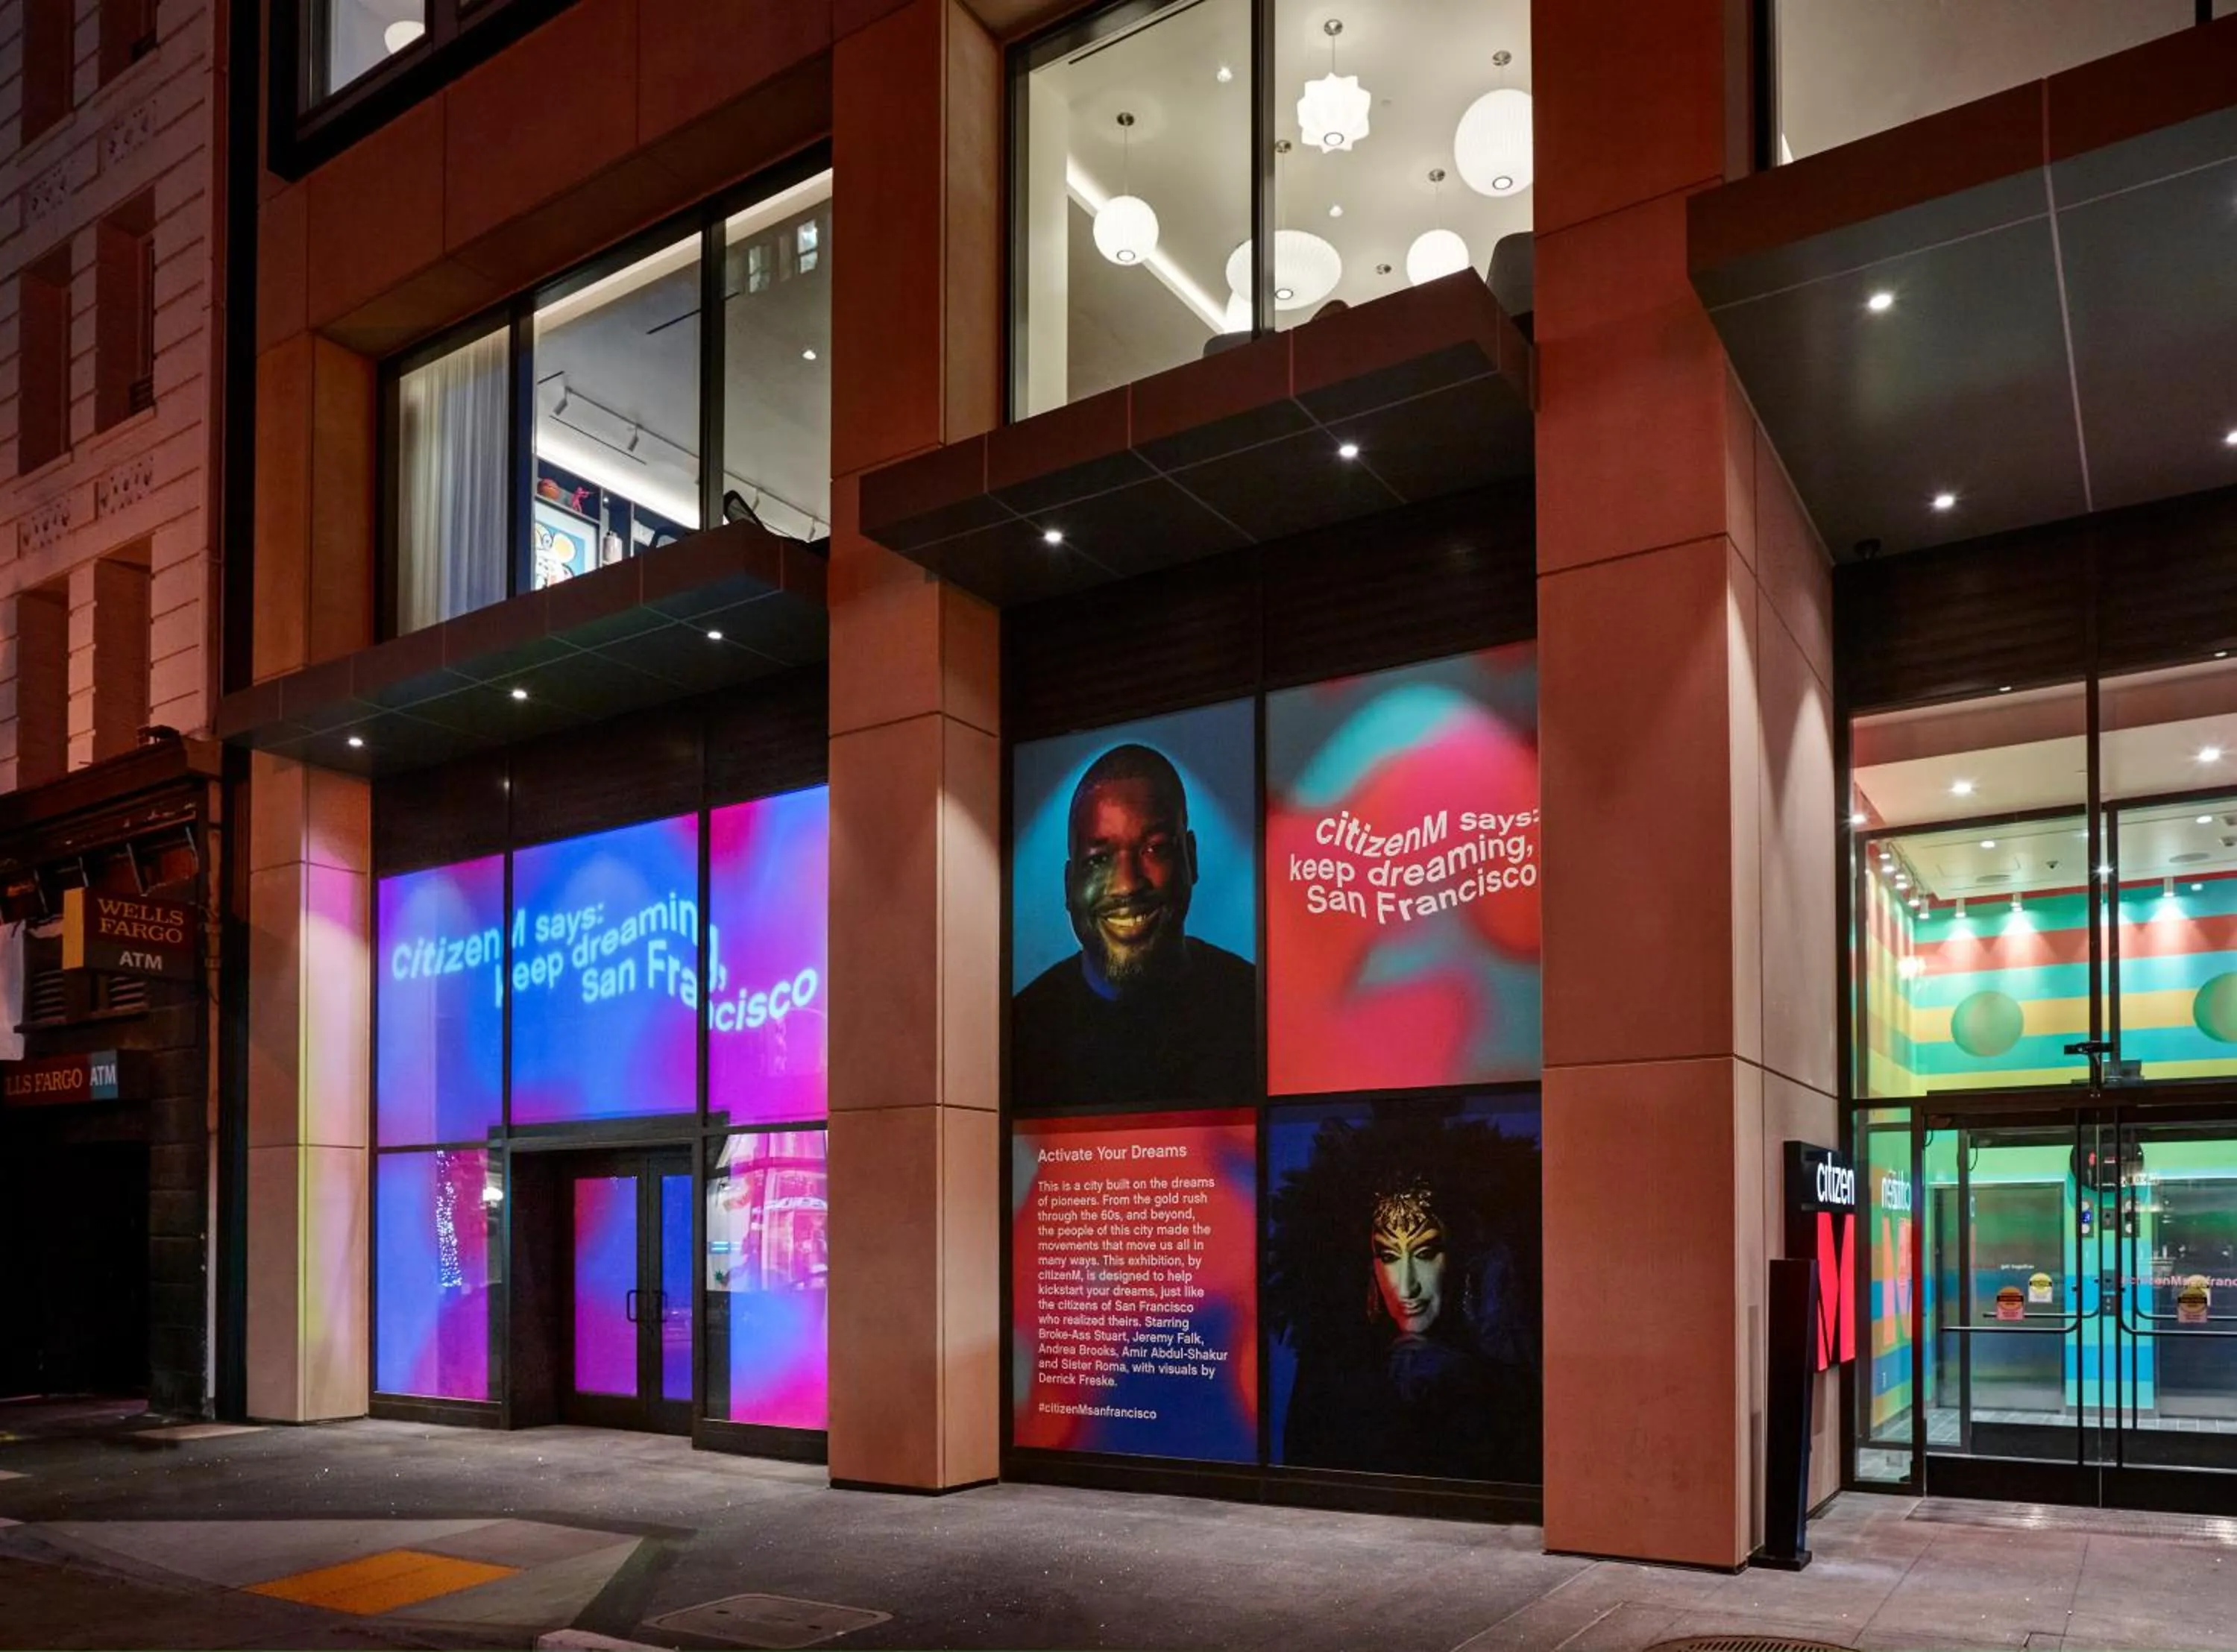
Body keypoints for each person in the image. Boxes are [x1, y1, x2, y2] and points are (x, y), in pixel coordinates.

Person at [1267, 1109, 1541, 1484]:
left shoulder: (1505, 1366)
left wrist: (1470, 1384)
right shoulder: (1332, 1373)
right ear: (1370, 1265)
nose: (1407, 1285)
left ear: (1460, 1257)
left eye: (1426, 1253)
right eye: (1390, 1257)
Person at [1012, 743, 1255, 1108]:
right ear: (1068, 884)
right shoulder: (1022, 1034)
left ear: (1190, 858)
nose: (1126, 884)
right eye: (1099, 860)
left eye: (1154, 849)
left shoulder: (1253, 1008)